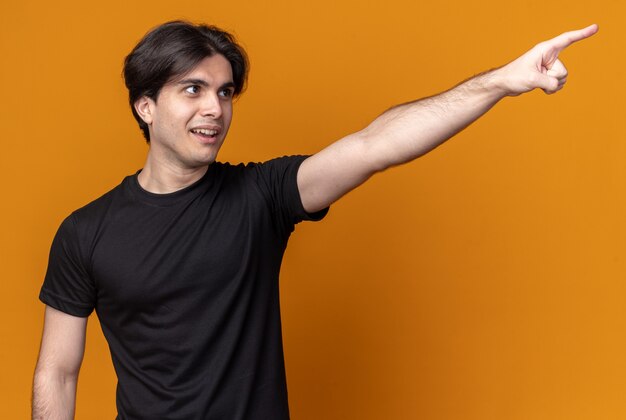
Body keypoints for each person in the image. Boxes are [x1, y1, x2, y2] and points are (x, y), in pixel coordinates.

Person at [32, 20, 598, 420]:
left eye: (225, 92)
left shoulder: (261, 196)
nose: (215, 109)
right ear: (146, 105)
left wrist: (499, 80)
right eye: (193, 90)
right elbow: (57, 373)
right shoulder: (85, 233)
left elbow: (377, 145)